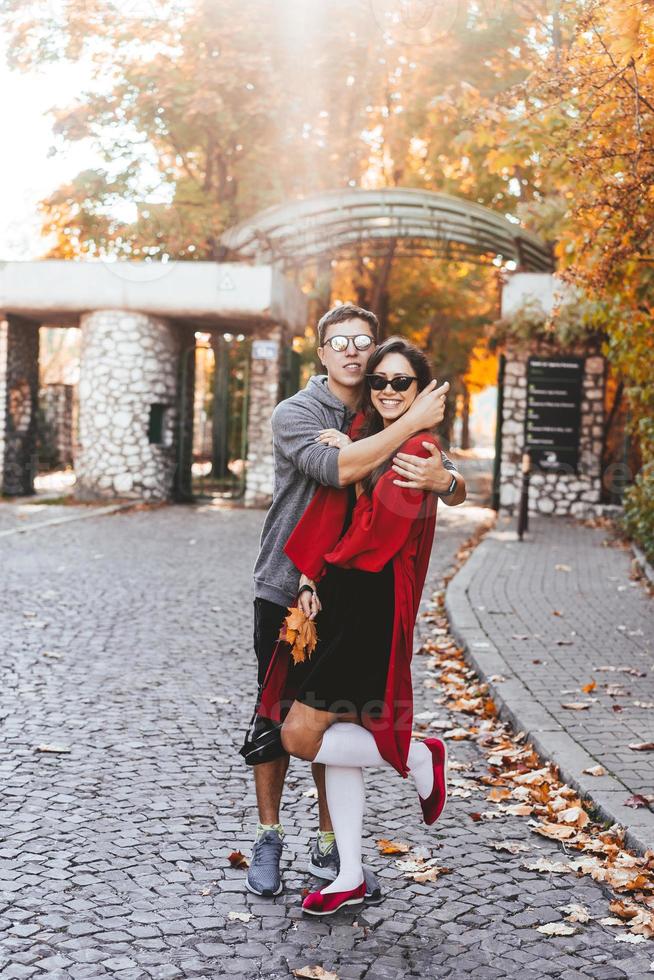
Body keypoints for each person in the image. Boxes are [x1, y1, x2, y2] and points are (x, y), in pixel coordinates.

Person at [246, 305, 465, 900]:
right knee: (275, 717)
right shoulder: (298, 413)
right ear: (321, 352)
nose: (353, 352)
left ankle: (331, 844)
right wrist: (406, 422)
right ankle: (270, 834)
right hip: (286, 585)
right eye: (338, 342)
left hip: (347, 594)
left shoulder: (375, 415)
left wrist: (446, 480)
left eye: (362, 344)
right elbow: (339, 470)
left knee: (327, 720)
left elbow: (443, 476)